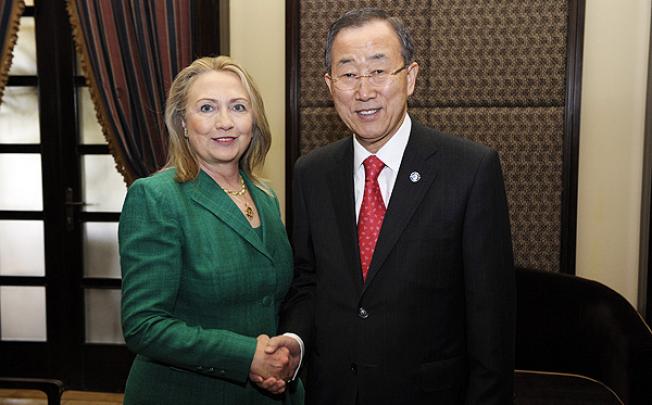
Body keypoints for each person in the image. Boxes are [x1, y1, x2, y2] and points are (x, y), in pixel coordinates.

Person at [261, 8, 515, 405]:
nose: (364, 91)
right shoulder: (311, 172)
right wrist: (295, 340)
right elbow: (307, 281)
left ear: (410, 77)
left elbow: (491, 320)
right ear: (330, 85)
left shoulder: (469, 170)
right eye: (348, 74)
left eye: (379, 71)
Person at [119, 55, 303, 405]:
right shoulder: (156, 197)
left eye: (238, 107)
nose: (225, 122)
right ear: (183, 123)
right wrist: (247, 355)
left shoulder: (266, 196)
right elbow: (143, 325)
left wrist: (282, 356)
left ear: (254, 120)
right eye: (206, 108)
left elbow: (271, 301)